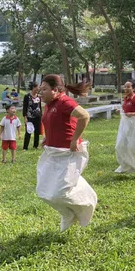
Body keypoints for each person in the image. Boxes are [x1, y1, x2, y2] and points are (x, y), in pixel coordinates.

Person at [35, 74, 97, 232]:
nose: (40, 92)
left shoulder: (64, 101)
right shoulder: (49, 103)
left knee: (59, 192)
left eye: (44, 89)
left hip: (69, 153)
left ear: (55, 90)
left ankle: (88, 199)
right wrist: (47, 137)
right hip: (52, 152)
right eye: (40, 89)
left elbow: (84, 115)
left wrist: (75, 139)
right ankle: (67, 214)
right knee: (42, 191)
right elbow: (53, 122)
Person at [23, 82, 43, 150]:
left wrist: (41, 115)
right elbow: (25, 107)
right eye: (37, 87)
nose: (38, 88)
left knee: (37, 131)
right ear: (33, 87)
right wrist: (25, 117)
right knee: (28, 131)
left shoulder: (39, 97)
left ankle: (36, 145)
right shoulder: (27, 96)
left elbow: (39, 107)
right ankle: (25, 147)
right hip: (29, 117)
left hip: (38, 117)